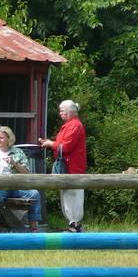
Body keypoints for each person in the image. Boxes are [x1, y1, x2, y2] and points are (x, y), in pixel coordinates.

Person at [0, 126, 42, 232]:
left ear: (9, 138)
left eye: (1, 137)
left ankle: (33, 225)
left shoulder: (18, 152)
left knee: (34, 193)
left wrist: (14, 163)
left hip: (17, 187)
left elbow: (26, 172)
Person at [39, 100, 87, 233]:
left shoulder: (74, 125)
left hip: (73, 168)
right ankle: (73, 224)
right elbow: (61, 145)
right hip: (68, 166)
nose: (60, 113)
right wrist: (49, 143)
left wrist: (50, 144)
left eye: (62, 110)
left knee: (73, 195)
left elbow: (65, 147)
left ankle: (75, 225)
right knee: (67, 195)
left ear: (70, 111)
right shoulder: (69, 125)